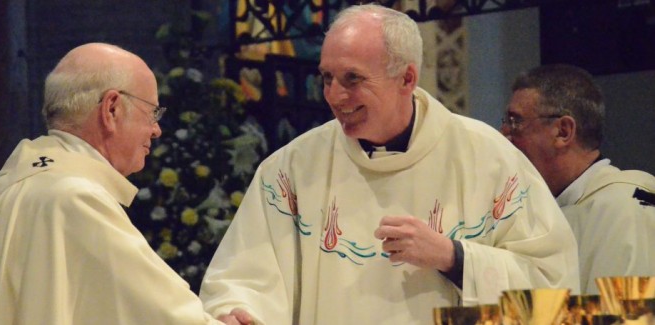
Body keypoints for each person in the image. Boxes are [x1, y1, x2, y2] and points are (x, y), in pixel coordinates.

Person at [199, 4, 579, 324]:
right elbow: (242, 277)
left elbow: (554, 288)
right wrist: (240, 312)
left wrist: (454, 257)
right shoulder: (290, 171)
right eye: (327, 78)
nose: (334, 95)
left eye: (352, 79)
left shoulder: (489, 159)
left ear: (407, 78)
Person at [0, 43, 222, 324]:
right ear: (111, 109)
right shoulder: (78, 200)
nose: (156, 129)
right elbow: (166, 316)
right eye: (152, 112)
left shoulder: (5, 189)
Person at [502, 64, 655, 295]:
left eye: (516, 122)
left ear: (563, 131)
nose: (504, 133)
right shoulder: (540, 211)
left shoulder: (628, 206)